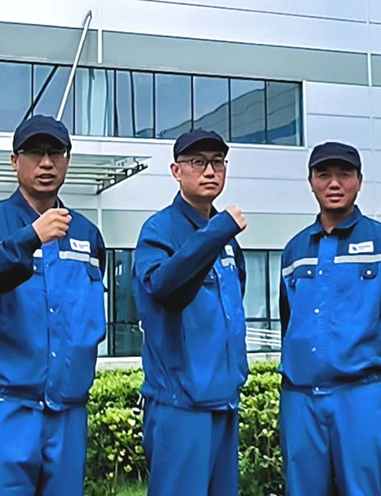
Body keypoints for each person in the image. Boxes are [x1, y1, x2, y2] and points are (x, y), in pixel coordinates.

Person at [278, 142, 381, 496]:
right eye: (324, 174)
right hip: (300, 400)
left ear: (359, 180)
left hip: (360, 396)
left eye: (344, 174)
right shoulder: (294, 250)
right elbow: (288, 322)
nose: (334, 183)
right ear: (310, 181)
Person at [0, 115, 107, 496]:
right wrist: (28, 239)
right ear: (14, 161)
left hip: (67, 412)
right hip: (3, 408)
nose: (46, 163)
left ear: (68, 160)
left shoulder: (86, 234)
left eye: (55, 152)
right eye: (34, 152)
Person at [134, 129, 249, 496]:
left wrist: (220, 233)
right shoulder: (159, 229)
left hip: (223, 400)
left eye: (217, 162)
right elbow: (164, 288)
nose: (210, 171)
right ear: (176, 170)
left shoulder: (228, 240)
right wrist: (217, 232)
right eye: (198, 162)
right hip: (180, 404)